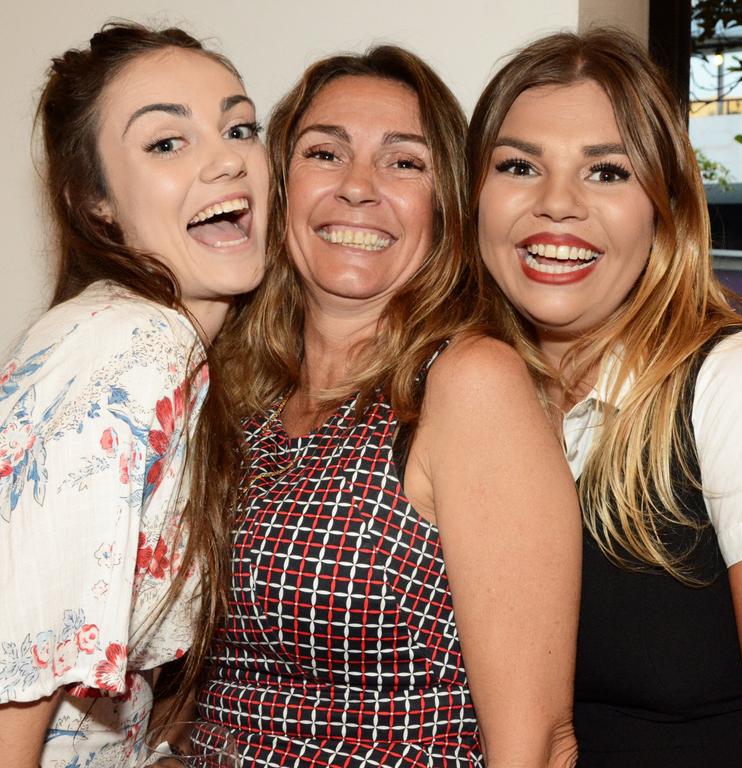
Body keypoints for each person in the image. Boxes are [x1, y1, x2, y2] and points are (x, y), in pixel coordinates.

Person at [198, 46, 582, 768]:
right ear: (278, 186)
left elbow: (538, 744)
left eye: (404, 162)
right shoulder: (236, 391)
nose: (357, 188)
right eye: (324, 153)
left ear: (446, 207)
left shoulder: (468, 383)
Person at [467, 27, 742, 768]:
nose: (557, 205)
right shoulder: (464, 401)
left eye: (607, 173)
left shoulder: (736, 385)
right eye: (518, 166)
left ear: (662, 207)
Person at [0, 22, 268, 768]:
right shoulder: (135, 345)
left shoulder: (159, 350)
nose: (226, 160)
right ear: (96, 203)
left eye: (240, 127)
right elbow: (13, 670)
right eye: (166, 143)